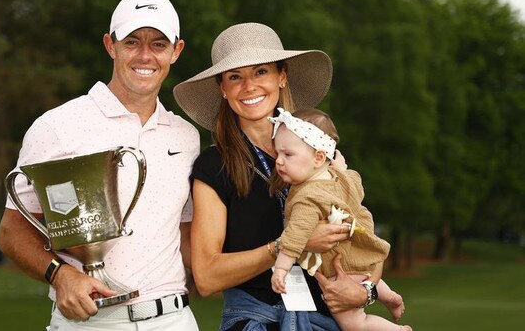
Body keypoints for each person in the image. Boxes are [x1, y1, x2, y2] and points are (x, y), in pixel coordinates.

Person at [0, 0, 200, 331]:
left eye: (159, 44)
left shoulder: (186, 136)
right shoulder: (57, 126)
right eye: (132, 42)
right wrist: (59, 275)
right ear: (111, 45)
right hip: (88, 323)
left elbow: (188, 235)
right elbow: (12, 230)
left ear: (176, 51)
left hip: (174, 319)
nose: (145, 56)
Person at [173, 22, 378, 331]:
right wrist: (287, 245)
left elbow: (363, 232)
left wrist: (366, 291)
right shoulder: (213, 165)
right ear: (222, 89)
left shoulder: (318, 149)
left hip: (329, 321)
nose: (249, 86)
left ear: (282, 76)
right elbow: (206, 277)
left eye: (260, 72)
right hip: (257, 320)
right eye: (234, 77)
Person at [268, 107, 411, 331]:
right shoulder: (341, 178)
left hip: (339, 272)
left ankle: (398, 330)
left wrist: (281, 269)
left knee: (355, 325)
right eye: (277, 154)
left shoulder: (307, 197)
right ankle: (388, 295)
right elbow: (356, 184)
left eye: (288, 154)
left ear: (318, 157)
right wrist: (341, 169)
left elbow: (294, 236)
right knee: (362, 276)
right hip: (362, 258)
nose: (278, 161)